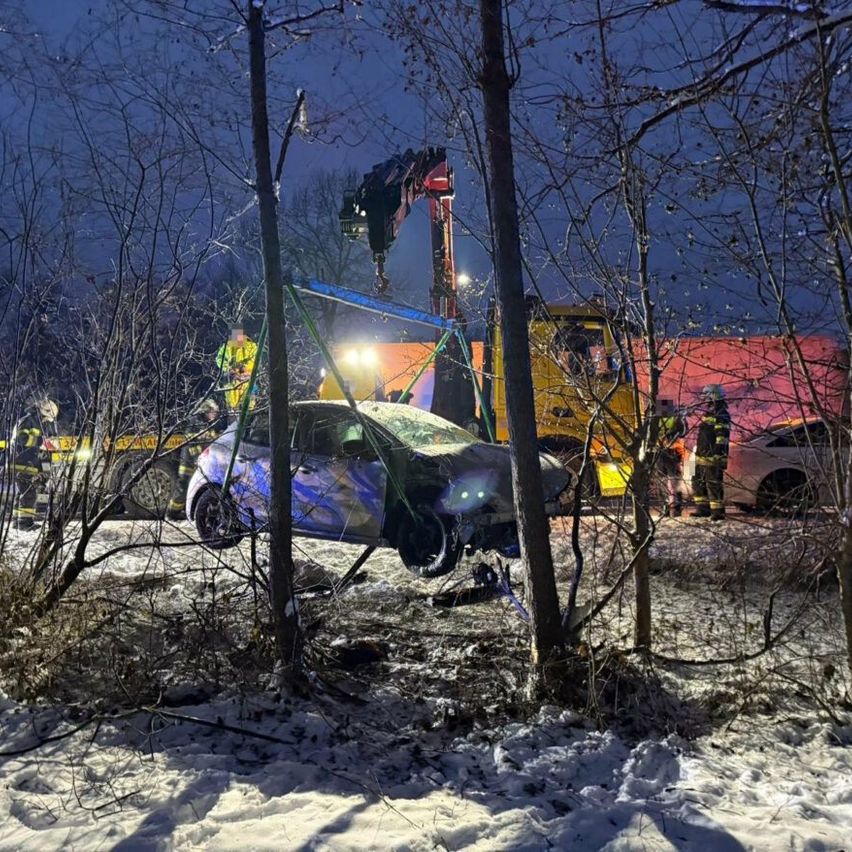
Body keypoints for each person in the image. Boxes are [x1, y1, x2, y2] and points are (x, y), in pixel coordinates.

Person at [167, 397, 223, 521]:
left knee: (194, 487)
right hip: (189, 461)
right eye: (213, 412)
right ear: (205, 411)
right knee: (183, 486)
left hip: (200, 461)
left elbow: (211, 440)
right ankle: (171, 514)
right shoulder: (195, 422)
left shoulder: (208, 424)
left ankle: (183, 511)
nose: (215, 414)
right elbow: (193, 442)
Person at [11, 396, 59, 530]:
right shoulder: (28, 420)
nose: (46, 421)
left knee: (22, 493)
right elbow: (21, 440)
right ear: (44, 412)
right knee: (29, 493)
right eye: (46, 418)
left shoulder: (35, 422)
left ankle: (17, 521)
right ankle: (25, 523)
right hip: (23, 462)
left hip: (27, 462)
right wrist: (41, 442)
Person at [691, 384, 731, 521]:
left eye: (707, 397)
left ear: (713, 396)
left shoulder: (722, 414)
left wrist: (716, 454)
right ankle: (703, 509)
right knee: (697, 481)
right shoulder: (709, 412)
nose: (705, 400)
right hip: (701, 455)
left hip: (713, 456)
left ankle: (718, 512)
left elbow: (722, 438)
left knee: (713, 483)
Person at [216, 325, 258, 415]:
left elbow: (255, 359)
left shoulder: (251, 346)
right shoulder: (227, 347)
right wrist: (228, 368)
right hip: (232, 381)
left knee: (248, 406)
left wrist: (243, 367)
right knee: (232, 409)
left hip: (247, 380)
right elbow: (219, 359)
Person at [657, 400, 687, 517]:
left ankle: (667, 508)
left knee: (665, 481)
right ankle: (674, 508)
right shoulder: (677, 419)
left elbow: (682, 433)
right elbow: (683, 433)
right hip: (671, 454)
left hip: (668, 453)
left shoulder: (656, 420)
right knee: (672, 482)